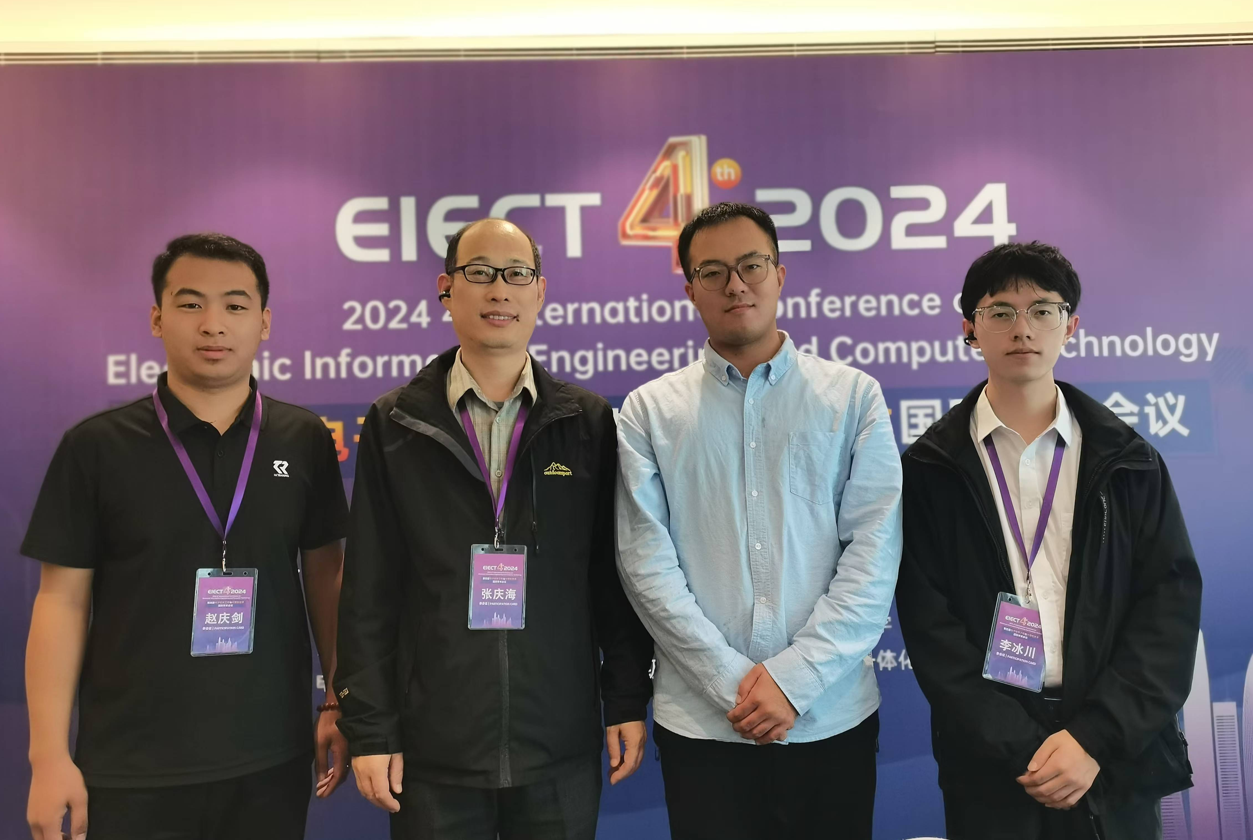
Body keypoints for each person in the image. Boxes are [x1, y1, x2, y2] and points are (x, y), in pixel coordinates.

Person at [21, 233, 351, 840]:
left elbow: (327, 575)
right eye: (191, 303)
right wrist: (48, 756)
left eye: (235, 305)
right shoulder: (97, 447)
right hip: (130, 765)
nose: (213, 324)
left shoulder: (303, 439)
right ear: (157, 318)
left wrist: (336, 697)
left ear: (264, 322)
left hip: (269, 759)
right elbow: (60, 601)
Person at [335, 217, 654, 840]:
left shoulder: (585, 422)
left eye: (516, 275)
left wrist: (624, 699)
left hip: (557, 743)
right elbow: (369, 590)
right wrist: (370, 729)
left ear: (541, 291)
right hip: (433, 751)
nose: (499, 290)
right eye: (479, 273)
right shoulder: (395, 423)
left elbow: (611, 577)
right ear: (446, 288)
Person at [614, 202, 903, 840]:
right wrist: (733, 685)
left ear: (779, 274)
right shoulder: (648, 412)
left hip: (830, 717)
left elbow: (873, 555)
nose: (735, 285)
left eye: (752, 265)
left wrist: (794, 681)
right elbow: (645, 565)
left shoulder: (853, 397)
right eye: (712, 272)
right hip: (703, 726)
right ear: (690, 289)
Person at [895, 241, 1202, 840]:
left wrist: (1093, 739)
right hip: (990, 762)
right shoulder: (931, 469)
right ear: (969, 328)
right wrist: (1019, 746)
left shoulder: (1129, 461)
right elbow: (931, 626)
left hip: (1112, 754)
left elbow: (1168, 608)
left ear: (1071, 326)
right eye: (1000, 311)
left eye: (1042, 310)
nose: (1023, 328)